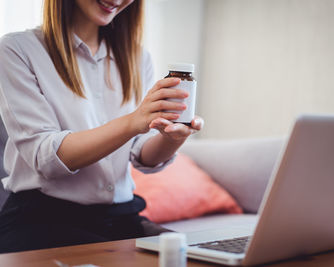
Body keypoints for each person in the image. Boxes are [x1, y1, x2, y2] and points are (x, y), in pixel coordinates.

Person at [0, 0, 203, 253]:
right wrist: (133, 122)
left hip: (121, 218)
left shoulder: (138, 58)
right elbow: (46, 157)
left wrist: (172, 138)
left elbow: (142, 153)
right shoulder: (17, 49)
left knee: (197, 255)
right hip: (43, 220)